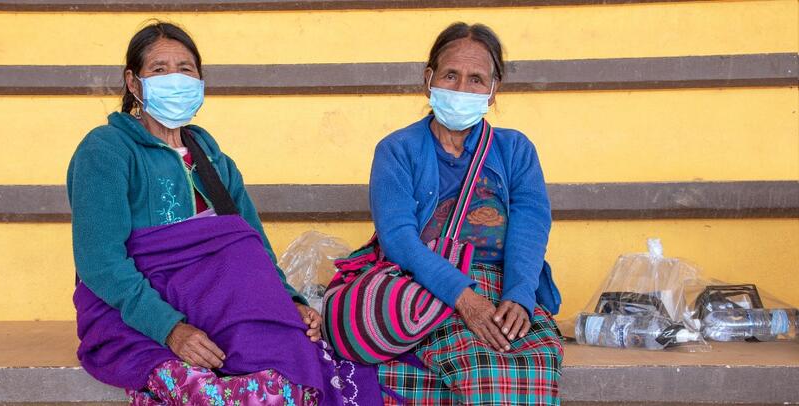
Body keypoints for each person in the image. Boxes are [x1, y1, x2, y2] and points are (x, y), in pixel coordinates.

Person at [66, 21, 380, 406]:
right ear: (134, 83)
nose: (175, 79)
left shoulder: (213, 159)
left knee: (295, 377)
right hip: (136, 316)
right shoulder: (106, 150)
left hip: (218, 308)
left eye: (185, 69)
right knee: (214, 395)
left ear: (200, 80)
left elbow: (253, 245)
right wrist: (170, 329)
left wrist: (292, 302)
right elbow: (100, 261)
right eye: (159, 70)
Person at [367, 22, 563, 404]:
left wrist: (520, 297)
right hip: (429, 284)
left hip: (504, 284)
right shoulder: (397, 150)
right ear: (429, 80)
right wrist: (465, 299)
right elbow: (399, 241)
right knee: (480, 364)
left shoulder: (516, 150)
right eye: (450, 75)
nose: (461, 89)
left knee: (534, 357)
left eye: (476, 79)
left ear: (493, 91)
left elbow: (531, 226)